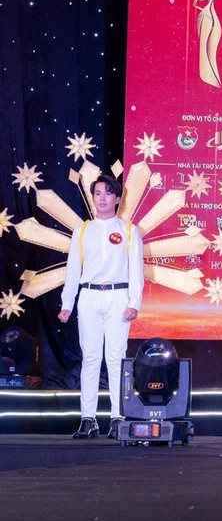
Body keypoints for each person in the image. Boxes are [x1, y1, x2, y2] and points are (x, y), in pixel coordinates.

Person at [59, 174, 144, 439]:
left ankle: (118, 417)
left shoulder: (129, 230)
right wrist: (67, 304)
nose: (102, 198)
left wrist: (134, 303)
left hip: (118, 297)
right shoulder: (82, 231)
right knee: (91, 358)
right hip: (89, 296)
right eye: (97, 193)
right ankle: (88, 419)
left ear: (118, 198)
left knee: (116, 358)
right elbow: (73, 270)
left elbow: (136, 271)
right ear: (93, 197)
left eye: (108, 193)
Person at [194, 0, 222, 88]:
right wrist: (201, 10)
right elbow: (194, 4)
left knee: (207, 45)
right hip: (201, 19)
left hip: (208, 19)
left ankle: (210, 75)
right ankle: (204, 73)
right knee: (202, 45)